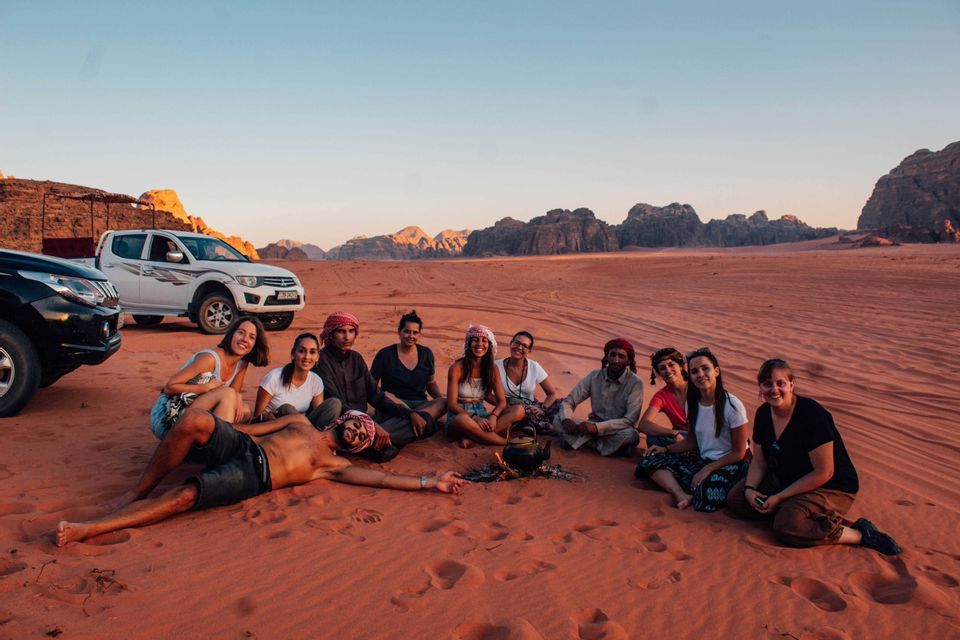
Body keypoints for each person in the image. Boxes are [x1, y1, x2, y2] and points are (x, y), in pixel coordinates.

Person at [55, 408, 465, 546]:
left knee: (183, 497)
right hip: (241, 448)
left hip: (253, 477)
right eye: (361, 426)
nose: (359, 433)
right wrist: (213, 435)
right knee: (195, 419)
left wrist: (432, 482)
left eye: (364, 439)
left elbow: (382, 482)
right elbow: (252, 432)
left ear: (356, 448)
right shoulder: (301, 421)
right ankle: (135, 492)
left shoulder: (334, 465)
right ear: (348, 418)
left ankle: (87, 529)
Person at [727, 359, 901, 554]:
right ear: (760, 387)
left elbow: (824, 472)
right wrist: (750, 490)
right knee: (737, 499)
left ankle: (860, 534)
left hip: (830, 486)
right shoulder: (763, 414)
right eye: (767, 384)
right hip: (786, 478)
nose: (774, 390)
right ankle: (794, 511)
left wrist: (779, 497)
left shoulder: (812, 415)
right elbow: (759, 461)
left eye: (780, 383)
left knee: (787, 526)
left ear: (792, 384)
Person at [312, 311, 437, 462]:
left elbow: (376, 395)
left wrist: (409, 413)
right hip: (344, 427)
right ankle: (380, 442)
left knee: (411, 421)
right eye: (341, 331)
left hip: (366, 423)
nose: (347, 337)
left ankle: (380, 442)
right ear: (330, 334)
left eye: (351, 331)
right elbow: (336, 402)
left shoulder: (356, 359)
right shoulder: (321, 361)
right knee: (393, 431)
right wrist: (372, 425)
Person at [636, 348, 749, 511]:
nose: (700, 374)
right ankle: (680, 493)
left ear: (716, 371)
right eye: (695, 371)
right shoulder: (693, 403)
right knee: (649, 461)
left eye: (705, 369)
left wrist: (708, 469)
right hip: (703, 458)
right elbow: (693, 440)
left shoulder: (732, 405)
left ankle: (699, 483)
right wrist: (666, 449)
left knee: (706, 496)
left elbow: (739, 452)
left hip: (731, 461)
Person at [149, 316, 268, 439]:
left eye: (251, 337)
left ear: (255, 344)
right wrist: (205, 388)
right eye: (241, 332)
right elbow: (169, 387)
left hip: (196, 410)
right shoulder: (210, 359)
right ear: (232, 334)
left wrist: (238, 396)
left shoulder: (242, 363)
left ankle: (211, 444)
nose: (244, 339)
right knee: (226, 394)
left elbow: (234, 393)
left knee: (245, 411)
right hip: (168, 415)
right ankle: (215, 449)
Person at [554, 338, 643, 456]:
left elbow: (630, 420)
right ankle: (605, 447)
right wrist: (567, 420)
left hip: (616, 429)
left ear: (628, 361)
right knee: (557, 420)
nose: (616, 360)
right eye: (613, 355)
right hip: (590, 426)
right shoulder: (594, 376)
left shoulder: (635, 383)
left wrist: (597, 428)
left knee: (632, 435)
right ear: (607, 357)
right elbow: (569, 401)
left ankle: (585, 443)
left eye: (621, 356)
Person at [370, 310, 447, 436]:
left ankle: (403, 423)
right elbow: (371, 385)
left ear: (419, 334)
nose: (411, 336)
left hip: (420, 405)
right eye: (407, 331)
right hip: (395, 403)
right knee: (386, 394)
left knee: (444, 402)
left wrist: (438, 400)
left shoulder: (426, 354)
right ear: (399, 332)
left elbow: (431, 382)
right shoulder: (385, 355)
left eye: (415, 332)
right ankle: (420, 423)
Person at [254, 332, 341, 427]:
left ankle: (313, 436)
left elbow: (319, 415)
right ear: (293, 354)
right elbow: (257, 417)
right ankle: (312, 436)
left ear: (317, 357)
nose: (307, 357)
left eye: (312, 352)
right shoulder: (273, 378)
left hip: (302, 428)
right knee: (287, 409)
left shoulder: (316, 380)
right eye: (301, 351)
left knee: (334, 404)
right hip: (277, 429)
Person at [445, 324, 508, 447]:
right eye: (475, 340)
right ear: (468, 344)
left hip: (483, 414)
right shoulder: (457, 368)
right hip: (460, 415)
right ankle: (505, 443)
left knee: (517, 411)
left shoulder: (492, 369)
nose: (480, 344)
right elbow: (451, 405)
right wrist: (474, 418)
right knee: (462, 420)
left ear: (489, 346)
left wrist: (494, 417)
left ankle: (473, 437)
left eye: (484, 341)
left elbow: (502, 402)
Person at [493, 331, 560, 435]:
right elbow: (486, 393)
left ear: (529, 350)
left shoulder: (534, 367)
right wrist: (504, 404)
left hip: (532, 406)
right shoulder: (496, 366)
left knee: (563, 404)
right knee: (550, 427)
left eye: (524, 346)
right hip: (509, 409)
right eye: (517, 343)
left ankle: (528, 423)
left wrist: (542, 409)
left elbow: (552, 394)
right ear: (511, 343)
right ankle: (535, 424)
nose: (519, 347)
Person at [637, 347, 689, 449]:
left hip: (704, 436)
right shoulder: (661, 396)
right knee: (653, 438)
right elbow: (643, 425)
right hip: (682, 436)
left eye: (671, 365)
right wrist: (674, 433)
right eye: (662, 368)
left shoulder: (696, 386)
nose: (668, 370)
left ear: (681, 366)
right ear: (659, 373)